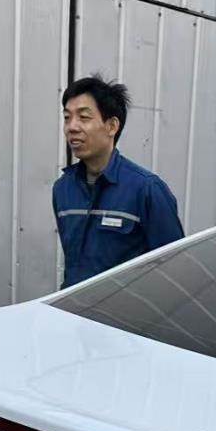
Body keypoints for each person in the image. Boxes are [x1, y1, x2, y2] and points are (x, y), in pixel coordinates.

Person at [53, 75, 184, 287]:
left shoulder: (147, 189)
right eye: (67, 117)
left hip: (126, 308)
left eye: (84, 117)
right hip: (75, 306)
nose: (72, 127)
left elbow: (173, 269)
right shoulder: (63, 189)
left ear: (112, 126)